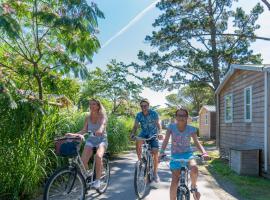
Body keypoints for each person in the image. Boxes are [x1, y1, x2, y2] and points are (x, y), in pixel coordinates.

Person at [160, 108, 209, 200]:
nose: (181, 117)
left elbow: (197, 142)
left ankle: (194, 187)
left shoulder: (191, 129)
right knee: (175, 181)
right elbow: (165, 140)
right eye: (179, 115)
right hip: (175, 156)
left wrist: (204, 153)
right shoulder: (171, 127)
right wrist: (161, 153)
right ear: (176, 117)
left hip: (188, 155)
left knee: (194, 168)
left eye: (183, 116)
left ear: (187, 117)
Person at [66, 99, 107, 189]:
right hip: (91, 140)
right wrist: (74, 134)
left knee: (98, 156)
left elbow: (102, 125)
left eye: (94, 104)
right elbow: (84, 130)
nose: (91, 106)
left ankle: (98, 180)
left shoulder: (102, 116)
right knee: (83, 161)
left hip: (101, 140)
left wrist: (100, 130)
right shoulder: (87, 117)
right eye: (90, 104)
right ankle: (89, 174)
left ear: (98, 106)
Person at [130, 99, 162, 183]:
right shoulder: (139, 115)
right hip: (144, 133)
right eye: (142, 106)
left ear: (148, 106)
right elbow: (135, 126)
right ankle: (140, 161)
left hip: (153, 134)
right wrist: (132, 134)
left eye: (145, 106)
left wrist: (160, 133)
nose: (143, 107)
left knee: (155, 152)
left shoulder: (154, 113)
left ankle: (155, 173)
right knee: (138, 141)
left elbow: (158, 125)